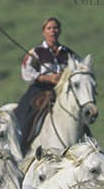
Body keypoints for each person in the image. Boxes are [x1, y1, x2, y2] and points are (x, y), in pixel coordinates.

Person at [16, 16, 77, 154]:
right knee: (28, 113)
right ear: (44, 32)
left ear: (59, 31)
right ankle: (22, 145)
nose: (52, 31)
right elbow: (26, 70)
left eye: (55, 28)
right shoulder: (36, 52)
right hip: (41, 90)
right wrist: (46, 78)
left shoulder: (68, 53)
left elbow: (78, 70)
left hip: (62, 92)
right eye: (49, 28)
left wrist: (64, 77)